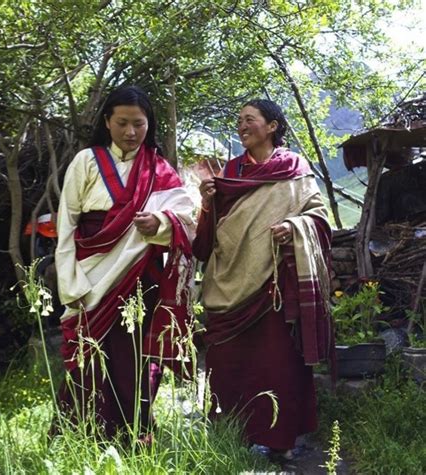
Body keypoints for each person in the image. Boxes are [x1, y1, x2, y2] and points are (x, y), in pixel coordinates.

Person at [193, 99, 333, 460]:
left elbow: (317, 215)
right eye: (238, 120)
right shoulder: (229, 171)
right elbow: (207, 237)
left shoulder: (294, 168)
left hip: (272, 285)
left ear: (271, 126)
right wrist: (207, 202)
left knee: (278, 365)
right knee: (228, 365)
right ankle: (232, 438)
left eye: (249, 119)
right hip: (227, 281)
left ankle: (280, 441)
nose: (242, 125)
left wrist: (293, 226)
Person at [55, 85, 195, 439]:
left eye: (139, 124)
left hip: (139, 279)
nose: (131, 132)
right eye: (122, 123)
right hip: (90, 277)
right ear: (107, 121)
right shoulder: (86, 161)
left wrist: (161, 223)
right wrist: (70, 281)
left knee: (136, 360)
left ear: (150, 125)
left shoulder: (159, 169)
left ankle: (134, 432)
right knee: (90, 359)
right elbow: (67, 223)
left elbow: (186, 219)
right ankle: (82, 433)